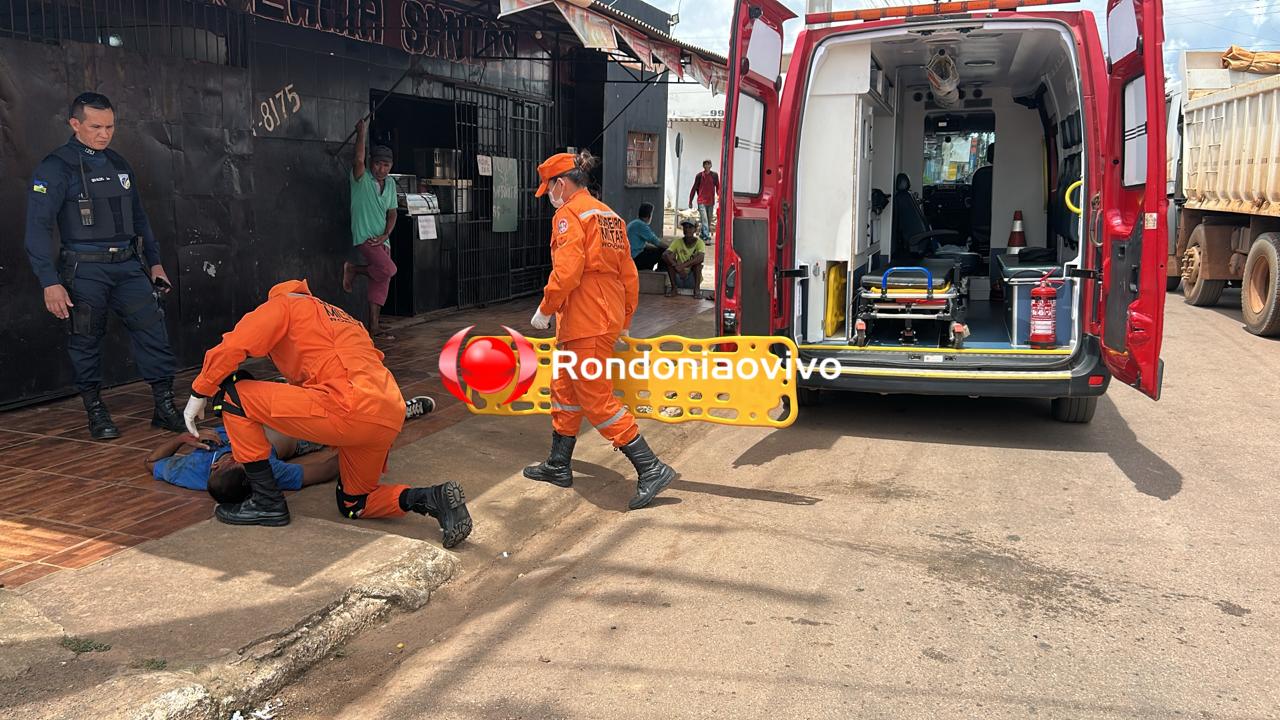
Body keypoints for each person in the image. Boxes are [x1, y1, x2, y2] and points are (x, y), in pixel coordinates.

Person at [180, 279, 472, 548]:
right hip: (388, 409)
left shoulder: (282, 305)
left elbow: (233, 346)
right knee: (356, 503)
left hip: (347, 406)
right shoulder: (340, 315)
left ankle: (267, 502)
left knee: (232, 397)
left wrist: (199, 392)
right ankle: (433, 498)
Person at [23, 91, 186, 441]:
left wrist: (155, 264)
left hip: (129, 265)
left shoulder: (118, 163)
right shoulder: (55, 167)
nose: (104, 133)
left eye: (110, 126)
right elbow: (37, 229)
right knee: (85, 341)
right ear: (75, 124)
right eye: (95, 126)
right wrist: (49, 282)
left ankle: (164, 407)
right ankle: (96, 411)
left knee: (153, 333)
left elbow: (140, 218)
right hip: (84, 269)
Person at [523, 151, 677, 511]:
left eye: (549, 188)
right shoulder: (609, 215)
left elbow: (568, 270)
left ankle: (650, 467)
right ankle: (559, 464)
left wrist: (545, 309)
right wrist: (623, 318)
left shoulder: (569, 215)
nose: (549, 195)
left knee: (594, 397)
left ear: (561, 184)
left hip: (583, 318)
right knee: (565, 389)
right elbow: (628, 274)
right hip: (601, 316)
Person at [146, 427, 339, 502]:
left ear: (216, 466)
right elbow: (327, 469)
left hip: (250, 411)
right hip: (297, 426)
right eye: (245, 462)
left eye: (234, 460)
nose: (240, 456)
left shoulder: (191, 470)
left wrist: (181, 439)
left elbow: (151, 461)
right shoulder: (263, 469)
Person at [342, 118, 398, 341]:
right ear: (371, 162)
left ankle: (374, 326)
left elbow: (392, 213)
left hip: (382, 240)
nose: (381, 169)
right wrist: (361, 133)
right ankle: (354, 269)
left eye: (386, 165)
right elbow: (358, 158)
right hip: (365, 236)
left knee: (380, 283)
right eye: (378, 164)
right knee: (388, 270)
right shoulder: (360, 178)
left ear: (391, 166)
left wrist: (386, 234)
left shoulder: (391, 184)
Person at [663, 219, 707, 299]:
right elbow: (665, 254)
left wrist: (682, 266)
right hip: (678, 276)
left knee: (698, 265)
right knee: (669, 259)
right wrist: (676, 265)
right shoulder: (677, 242)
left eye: (690, 227)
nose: (687, 230)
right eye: (685, 227)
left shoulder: (700, 243)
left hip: (691, 278)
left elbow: (701, 258)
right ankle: (674, 288)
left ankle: (697, 290)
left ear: (695, 230)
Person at [627, 202, 665, 272]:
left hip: (631, 256)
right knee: (663, 251)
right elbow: (656, 241)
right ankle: (660, 272)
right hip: (635, 258)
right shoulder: (641, 225)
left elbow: (642, 244)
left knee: (654, 250)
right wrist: (671, 247)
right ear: (649, 215)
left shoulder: (633, 223)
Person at [688, 160, 719, 242]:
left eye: (709, 164)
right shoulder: (699, 176)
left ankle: (702, 234)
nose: (707, 165)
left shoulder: (714, 175)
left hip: (711, 201)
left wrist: (719, 197)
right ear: (703, 166)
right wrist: (690, 201)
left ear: (711, 165)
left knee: (708, 220)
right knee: (704, 219)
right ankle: (707, 237)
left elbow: (718, 187)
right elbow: (694, 188)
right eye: (706, 164)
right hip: (701, 201)